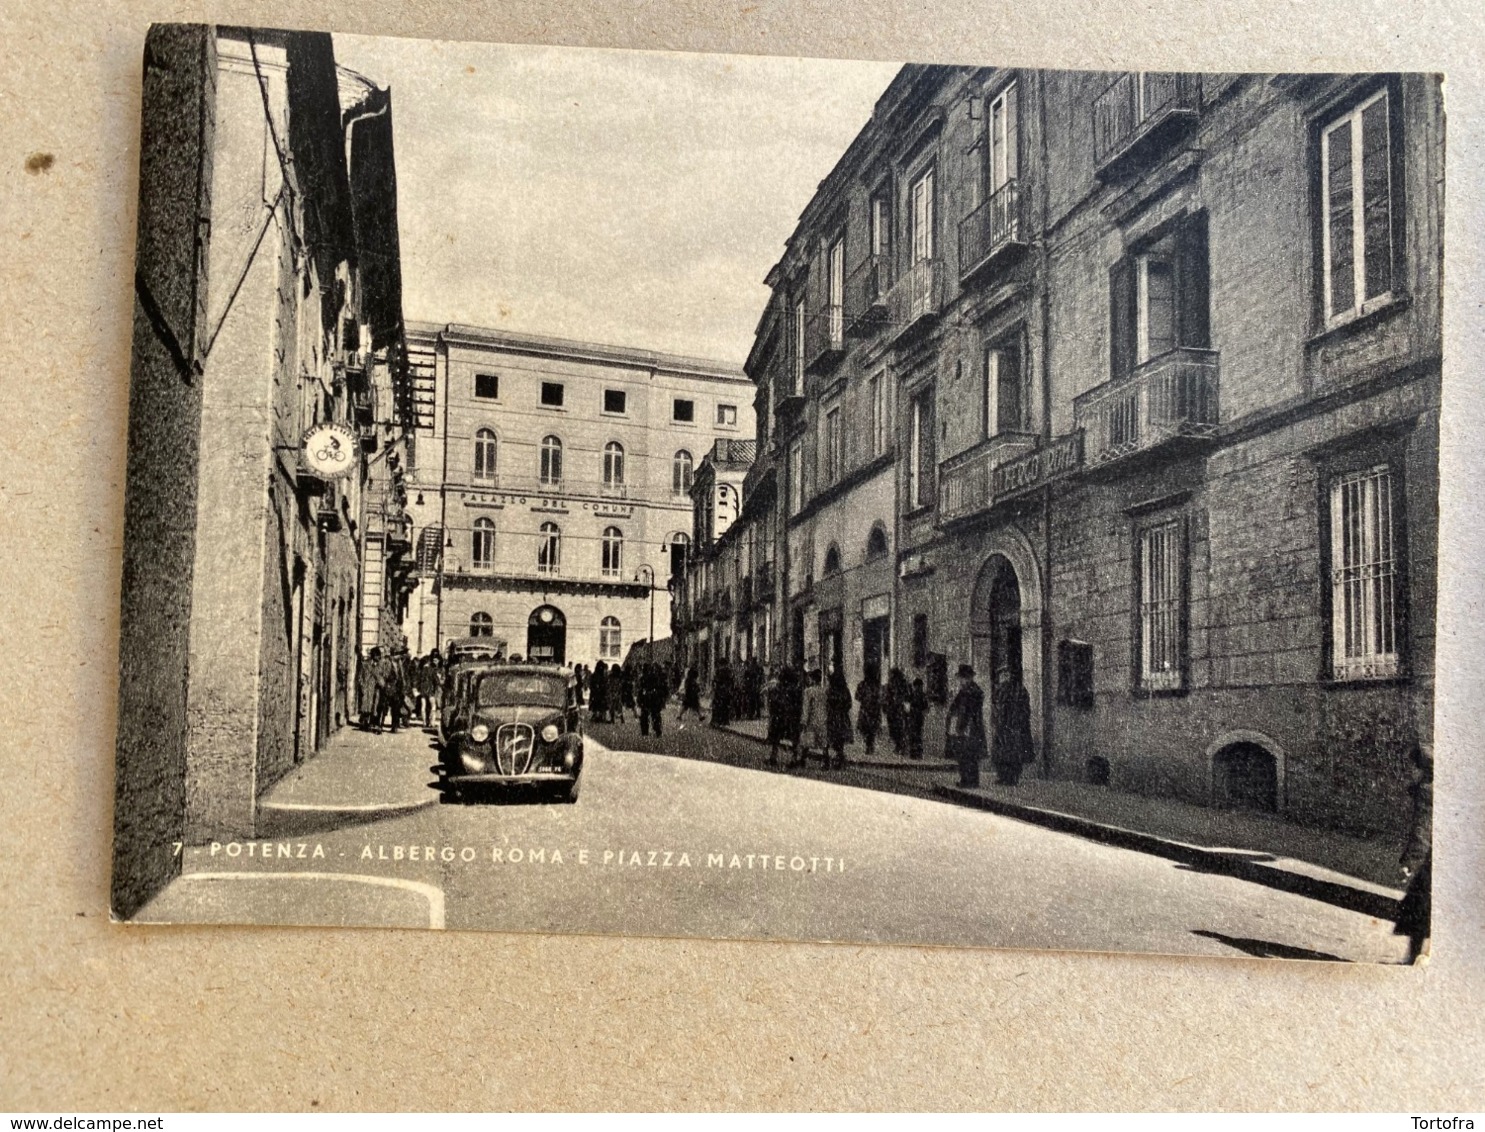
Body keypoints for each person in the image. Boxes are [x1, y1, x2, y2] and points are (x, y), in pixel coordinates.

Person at [1395, 744, 1433, 963]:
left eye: (1410, 767)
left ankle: (1414, 957)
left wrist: (1409, 863)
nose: (1407, 772)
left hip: (1428, 862)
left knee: (1418, 910)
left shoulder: (1426, 792)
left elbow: (1422, 829)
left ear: (1419, 768)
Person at [990, 667, 1035, 786]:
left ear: (1011, 676)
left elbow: (1025, 710)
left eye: (1006, 674)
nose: (1004, 677)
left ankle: (1012, 778)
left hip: (1013, 727)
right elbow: (996, 708)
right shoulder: (998, 690)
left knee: (1014, 754)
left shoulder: (1019, 690)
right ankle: (1003, 777)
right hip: (1002, 727)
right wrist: (996, 721)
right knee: (1001, 754)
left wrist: (1017, 722)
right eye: (1002, 675)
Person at [945, 663, 987, 788]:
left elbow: (970, 711)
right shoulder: (964, 691)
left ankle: (971, 781)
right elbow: (954, 706)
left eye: (963, 678)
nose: (961, 681)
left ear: (969, 678)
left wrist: (961, 724)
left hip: (971, 726)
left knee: (970, 754)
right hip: (963, 726)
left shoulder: (973, 691)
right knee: (963, 753)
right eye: (961, 678)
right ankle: (966, 779)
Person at [793, 668, 826, 769]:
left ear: (813, 679)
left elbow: (806, 707)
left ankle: (802, 759)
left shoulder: (808, 691)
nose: (808, 680)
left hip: (812, 718)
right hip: (823, 717)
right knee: (823, 741)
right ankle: (826, 761)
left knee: (807, 740)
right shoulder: (824, 690)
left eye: (810, 678)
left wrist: (803, 720)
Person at [825, 666, 854, 770]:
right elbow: (849, 703)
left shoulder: (831, 690)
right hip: (842, 717)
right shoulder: (845, 690)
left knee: (833, 737)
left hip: (833, 716)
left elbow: (827, 702)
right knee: (840, 739)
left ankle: (839, 758)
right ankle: (840, 758)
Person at [854, 667, 882, 758]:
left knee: (867, 728)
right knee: (870, 728)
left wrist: (864, 698)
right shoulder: (876, 685)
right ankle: (869, 744)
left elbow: (857, 697)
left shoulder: (862, 685)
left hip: (866, 709)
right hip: (873, 710)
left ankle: (869, 745)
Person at [884, 668, 910, 757]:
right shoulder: (890, 684)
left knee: (899, 728)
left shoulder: (902, 683)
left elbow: (906, 696)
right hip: (893, 709)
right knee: (895, 728)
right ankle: (899, 745)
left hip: (898, 709)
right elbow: (887, 696)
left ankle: (901, 746)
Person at [358, 647, 384, 732]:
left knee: (374, 707)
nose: (379, 657)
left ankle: (370, 723)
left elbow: (381, 677)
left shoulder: (380, 666)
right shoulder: (365, 664)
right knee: (365, 707)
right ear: (373, 655)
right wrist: (362, 686)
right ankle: (364, 723)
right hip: (366, 688)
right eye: (377, 655)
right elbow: (360, 677)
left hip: (375, 689)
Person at [639, 662, 668, 738]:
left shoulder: (643, 677)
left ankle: (645, 731)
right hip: (654, 697)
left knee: (645, 714)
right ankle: (657, 730)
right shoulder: (656, 677)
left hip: (646, 697)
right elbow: (662, 687)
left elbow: (641, 688)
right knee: (655, 714)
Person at [906, 676, 928, 761]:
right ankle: (915, 753)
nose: (918, 688)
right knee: (915, 735)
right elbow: (925, 707)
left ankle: (915, 753)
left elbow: (925, 707)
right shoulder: (919, 695)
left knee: (915, 735)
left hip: (915, 717)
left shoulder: (917, 695)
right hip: (916, 717)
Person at [711, 659, 735, 728]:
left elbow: (715, 680)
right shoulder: (729, 671)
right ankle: (725, 721)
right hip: (726, 691)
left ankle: (718, 721)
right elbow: (732, 680)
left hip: (720, 691)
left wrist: (715, 687)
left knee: (718, 706)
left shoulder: (719, 671)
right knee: (726, 706)